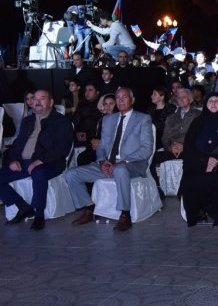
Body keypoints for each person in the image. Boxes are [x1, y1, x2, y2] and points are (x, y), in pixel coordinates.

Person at [66, 88, 154, 231]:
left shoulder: (143, 119)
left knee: (119, 170)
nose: (120, 100)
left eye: (124, 97)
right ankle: (89, 207)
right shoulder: (108, 119)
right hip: (108, 164)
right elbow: (102, 145)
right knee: (71, 174)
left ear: (132, 100)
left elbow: (146, 149)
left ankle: (125, 214)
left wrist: (122, 162)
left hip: (131, 164)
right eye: (118, 98)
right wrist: (101, 161)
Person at [0, 90, 73, 230]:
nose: (37, 102)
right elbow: (17, 145)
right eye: (35, 99)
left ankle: (39, 214)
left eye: (42, 98)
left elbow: (62, 148)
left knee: (39, 173)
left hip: (50, 163)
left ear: (51, 102)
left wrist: (40, 160)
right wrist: (13, 160)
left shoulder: (61, 121)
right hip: (24, 163)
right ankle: (23, 207)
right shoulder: (27, 121)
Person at [179, 92, 218, 227]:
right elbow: (188, 145)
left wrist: (215, 160)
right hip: (199, 161)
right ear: (205, 104)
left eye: (217, 101)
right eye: (210, 101)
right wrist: (204, 160)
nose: (213, 104)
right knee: (190, 179)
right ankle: (198, 212)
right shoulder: (197, 122)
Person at [150, 88, 201, 196]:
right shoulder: (171, 117)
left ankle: (186, 189)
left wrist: (184, 146)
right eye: (178, 97)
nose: (181, 99)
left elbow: (200, 136)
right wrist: (170, 147)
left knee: (193, 158)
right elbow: (164, 138)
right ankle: (156, 188)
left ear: (190, 100)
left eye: (184, 97)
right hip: (172, 149)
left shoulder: (198, 115)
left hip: (190, 149)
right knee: (150, 158)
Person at [76, 94, 116, 166]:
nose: (108, 107)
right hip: (97, 147)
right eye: (105, 104)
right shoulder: (102, 118)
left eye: (111, 104)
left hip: (109, 149)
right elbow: (95, 133)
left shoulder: (118, 119)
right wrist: (92, 140)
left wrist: (100, 143)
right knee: (82, 157)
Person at [147, 87, 176, 151]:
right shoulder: (150, 109)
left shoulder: (170, 108)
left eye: (154, 94)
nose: (151, 96)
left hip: (165, 140)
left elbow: (165, 126)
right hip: (151, 139)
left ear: (162, 97)